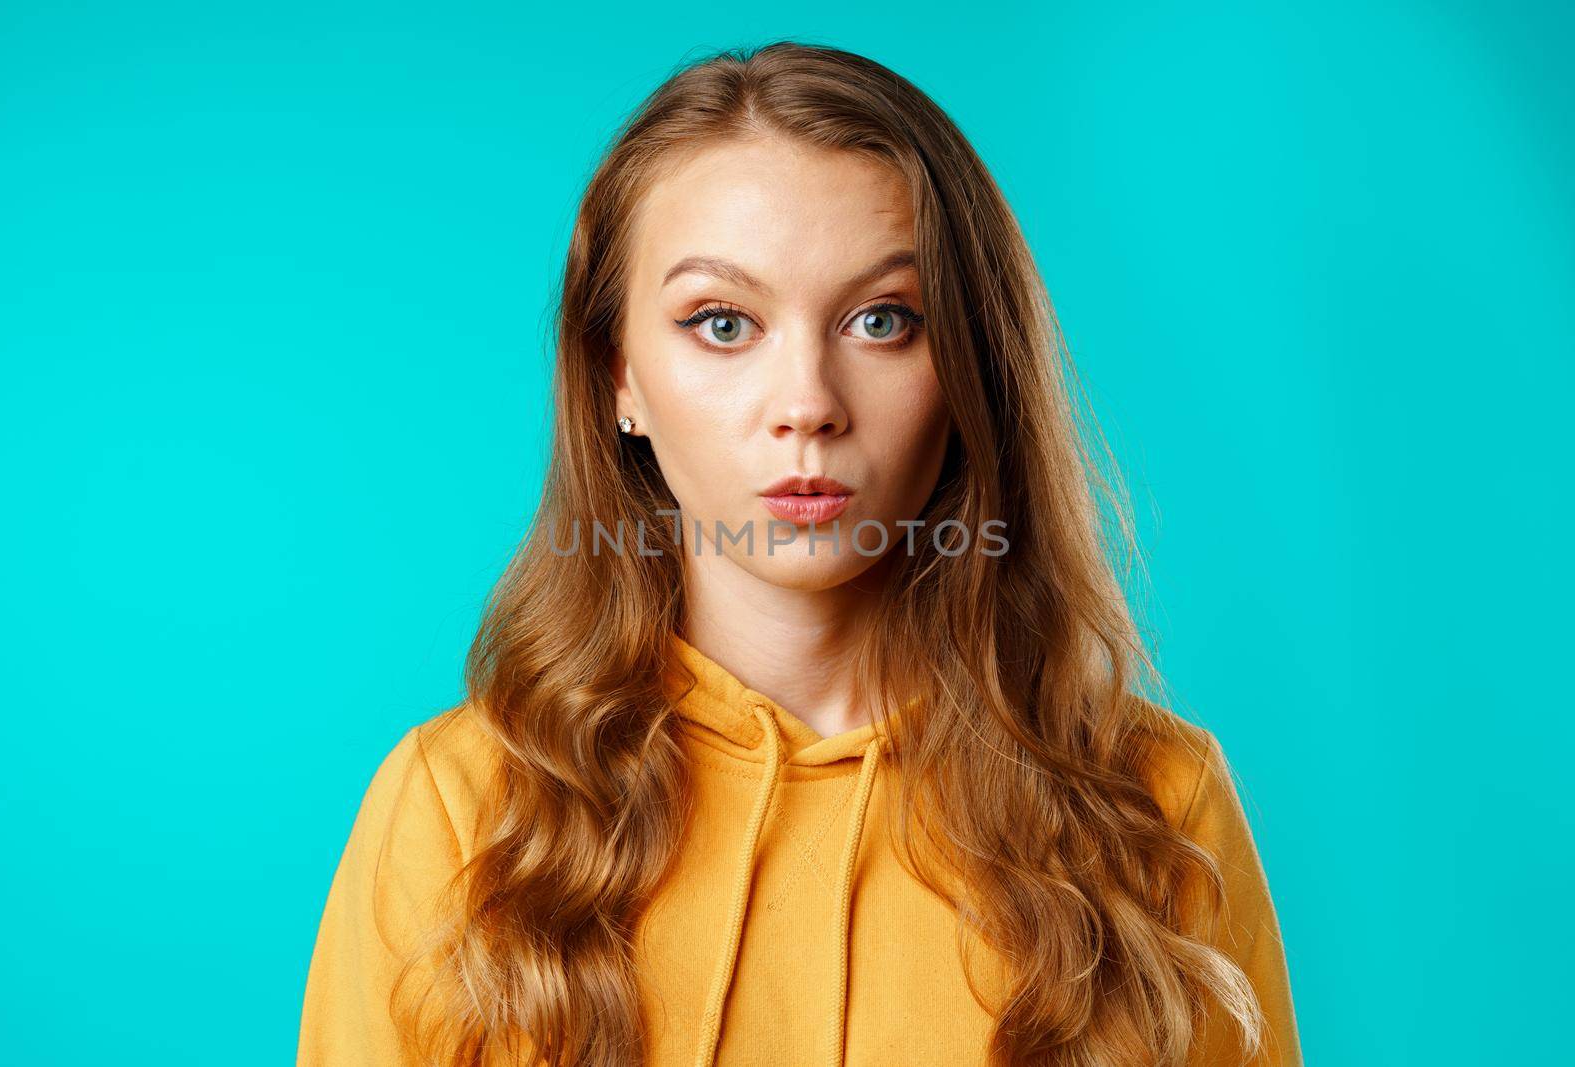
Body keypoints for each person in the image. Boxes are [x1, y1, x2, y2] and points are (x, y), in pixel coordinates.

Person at [296, 40, 1304, 1067]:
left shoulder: (1154, 801)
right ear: (618, 378)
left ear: (967, 365)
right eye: (722, 321)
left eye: (882, 320)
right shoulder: (458, 807)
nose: (808, 405)